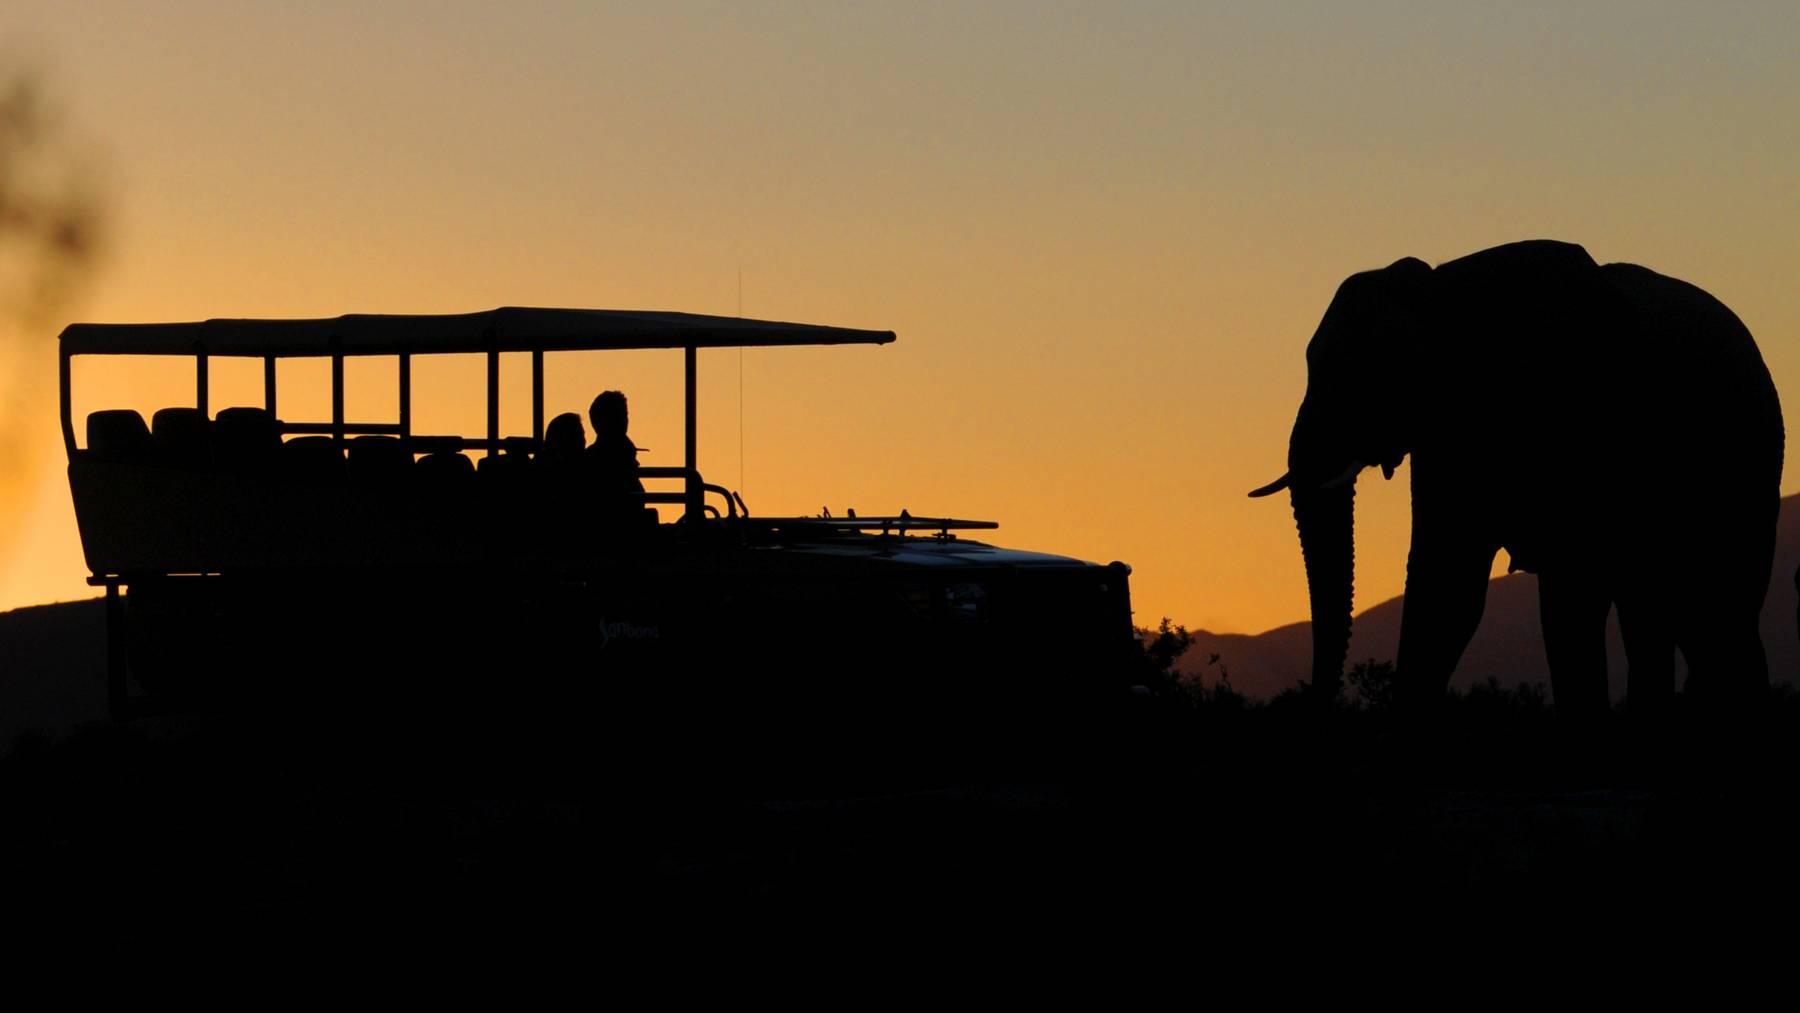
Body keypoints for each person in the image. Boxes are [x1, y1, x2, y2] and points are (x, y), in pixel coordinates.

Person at [586, 390, 646, 522]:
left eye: (624, 415)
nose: (623, 421)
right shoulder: (597, 460)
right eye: (616, 416)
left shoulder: (590, 456)